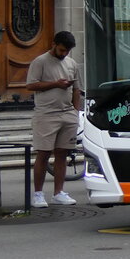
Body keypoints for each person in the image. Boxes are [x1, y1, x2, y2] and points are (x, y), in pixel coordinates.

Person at [26, 30, 84, 208]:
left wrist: (75, 111)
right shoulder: (40, 61)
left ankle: (58, 193)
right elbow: (31, 85)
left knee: (62, 153)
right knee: (43, 153)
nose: (64, 54)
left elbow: (76, 89)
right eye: (61, 50)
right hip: (46, 114)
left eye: (67, 51)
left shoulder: (72, 64)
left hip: (67, 114)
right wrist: (55, 84)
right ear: (54, 44)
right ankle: (38, 194)